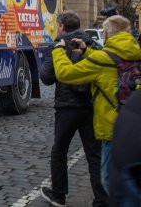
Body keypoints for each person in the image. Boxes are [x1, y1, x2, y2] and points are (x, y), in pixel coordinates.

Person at [52, 15, 141, 193]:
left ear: (107, 35)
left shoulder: (102, 59)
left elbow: (65, 73)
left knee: (109, 181)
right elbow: (110, 62)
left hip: (112, 126)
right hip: (135, 124)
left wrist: (58, 51)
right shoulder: (135, 53)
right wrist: (86, 51)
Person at [40, 11, 108, 207]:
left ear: (62, 26)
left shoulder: (58, 45)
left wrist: (58, 52)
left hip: (67, 107)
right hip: (89, 105)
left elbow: (46, 77)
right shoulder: (92, 44)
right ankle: (101, 199)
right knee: (94, 155)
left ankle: (59, 195)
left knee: (59, 151)